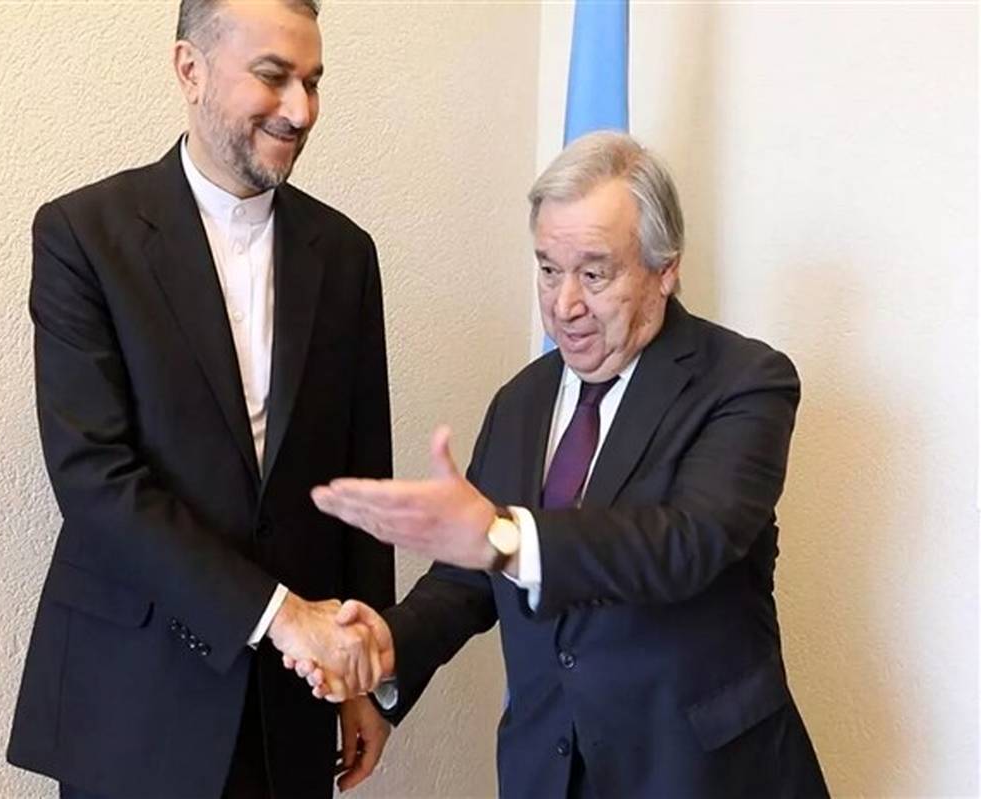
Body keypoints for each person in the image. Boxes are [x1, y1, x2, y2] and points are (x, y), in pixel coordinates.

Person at [302, 131, 829, 797]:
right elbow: (471, 579)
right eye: (549, 269)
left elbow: (687, 543)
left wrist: (505, 537)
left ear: (665, 270)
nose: (564, 303)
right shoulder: (520, 401)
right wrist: (390, 642)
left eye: (594, 273)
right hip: (550, 773)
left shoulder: (744, 381)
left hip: (701, 775)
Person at [6, 1, 394, 796]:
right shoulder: (83, 235)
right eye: (273, 76)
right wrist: (280, 613)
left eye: (313, 82)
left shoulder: (347, 254)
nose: (300, 110)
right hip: (134, 702)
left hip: (291, 706)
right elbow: (95, 480)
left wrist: (366, 678)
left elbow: (362, 480)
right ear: (190, 69)